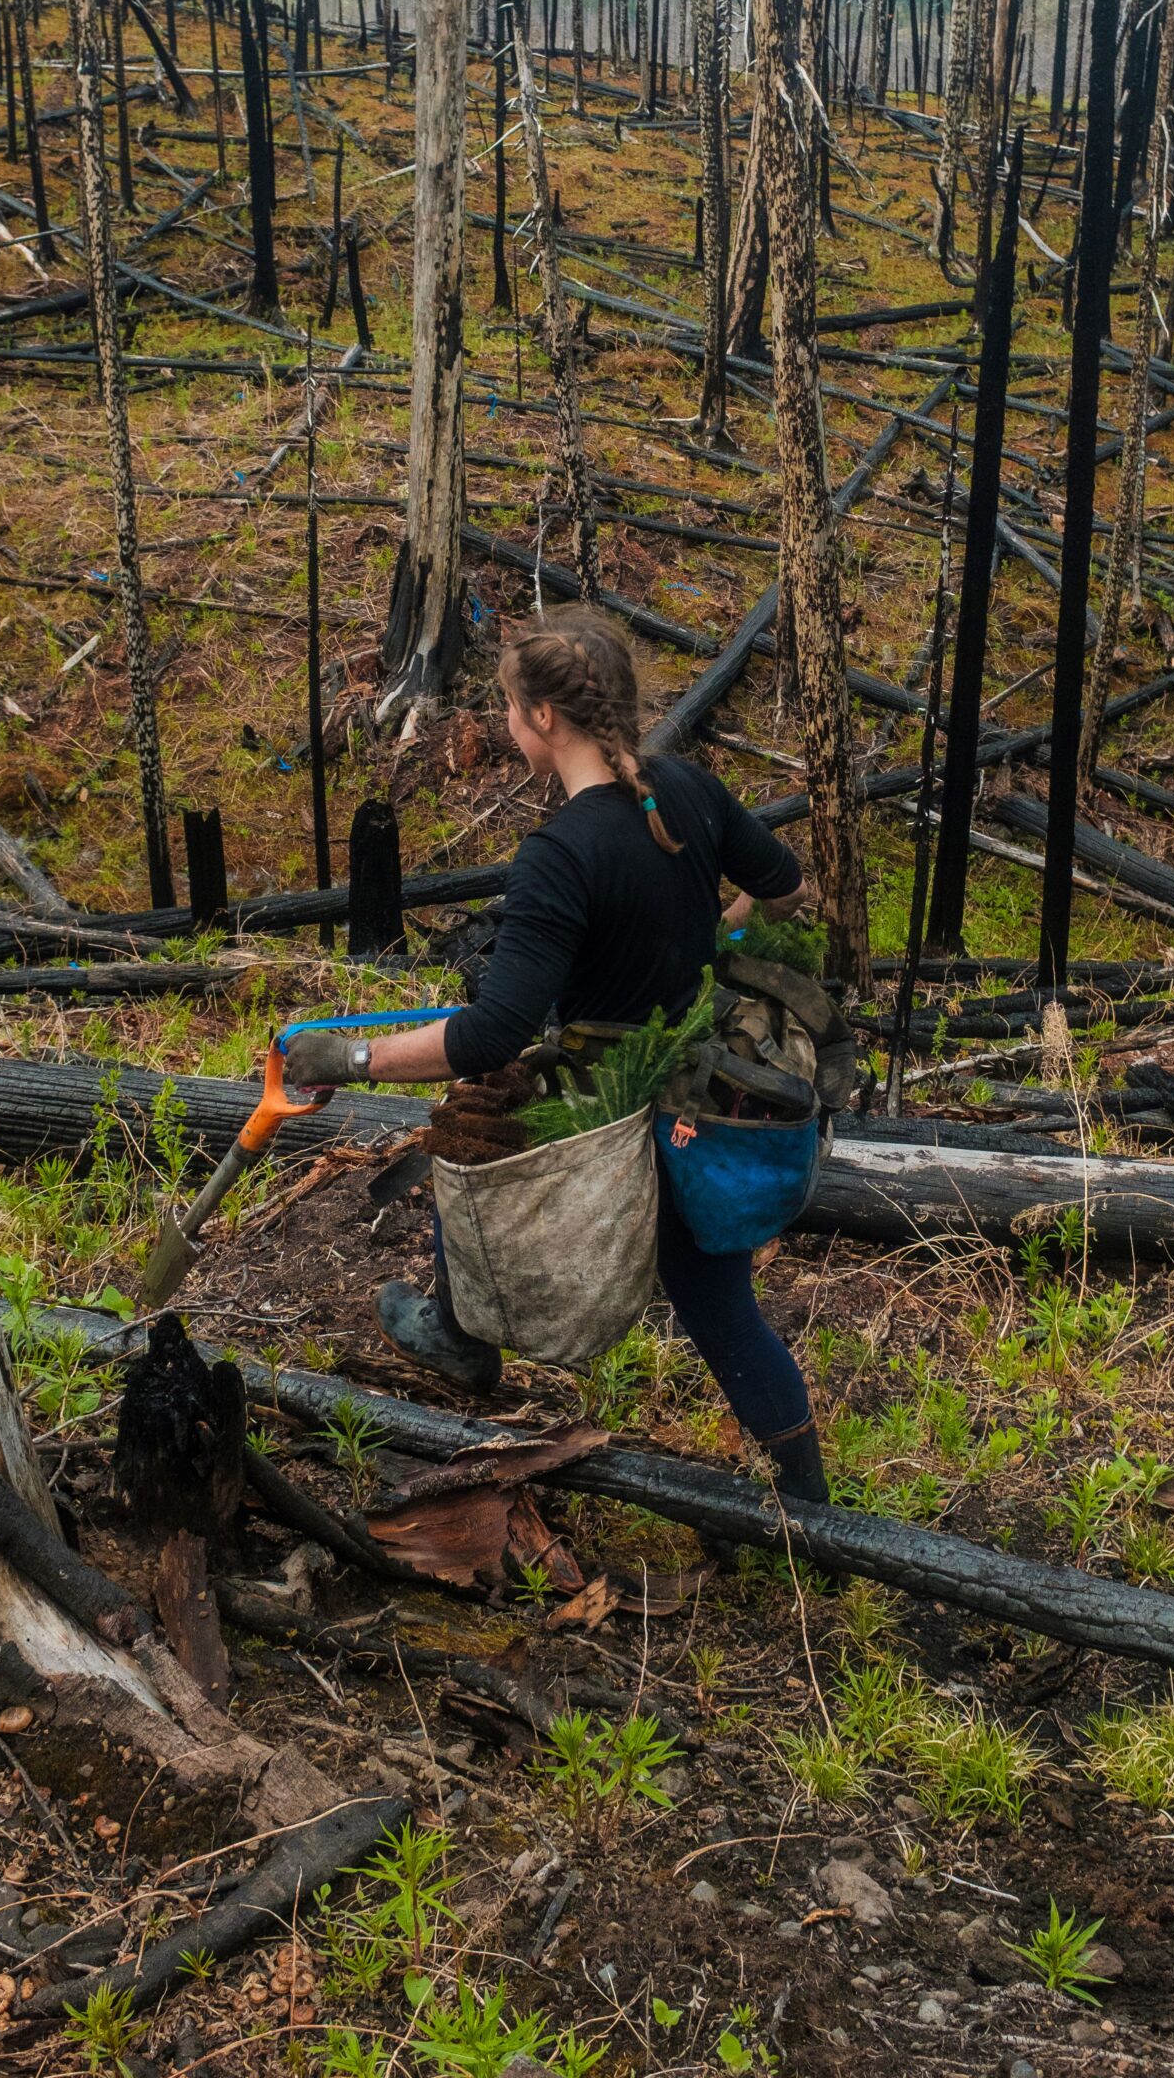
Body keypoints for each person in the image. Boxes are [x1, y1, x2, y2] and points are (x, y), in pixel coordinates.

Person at [283, 609, 830, 1503]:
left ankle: (458, 1335)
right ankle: (807, 1505)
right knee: (722, 1311)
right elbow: (786, 887)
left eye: (506, 709)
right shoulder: (686, 788)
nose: (503, 728)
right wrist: (712, 937)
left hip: (611, 1109)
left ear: (542, 717)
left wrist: (344, 1059)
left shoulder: (560, 853)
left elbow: (491, 1033)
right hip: (697, 1090)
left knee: (472, 1125)